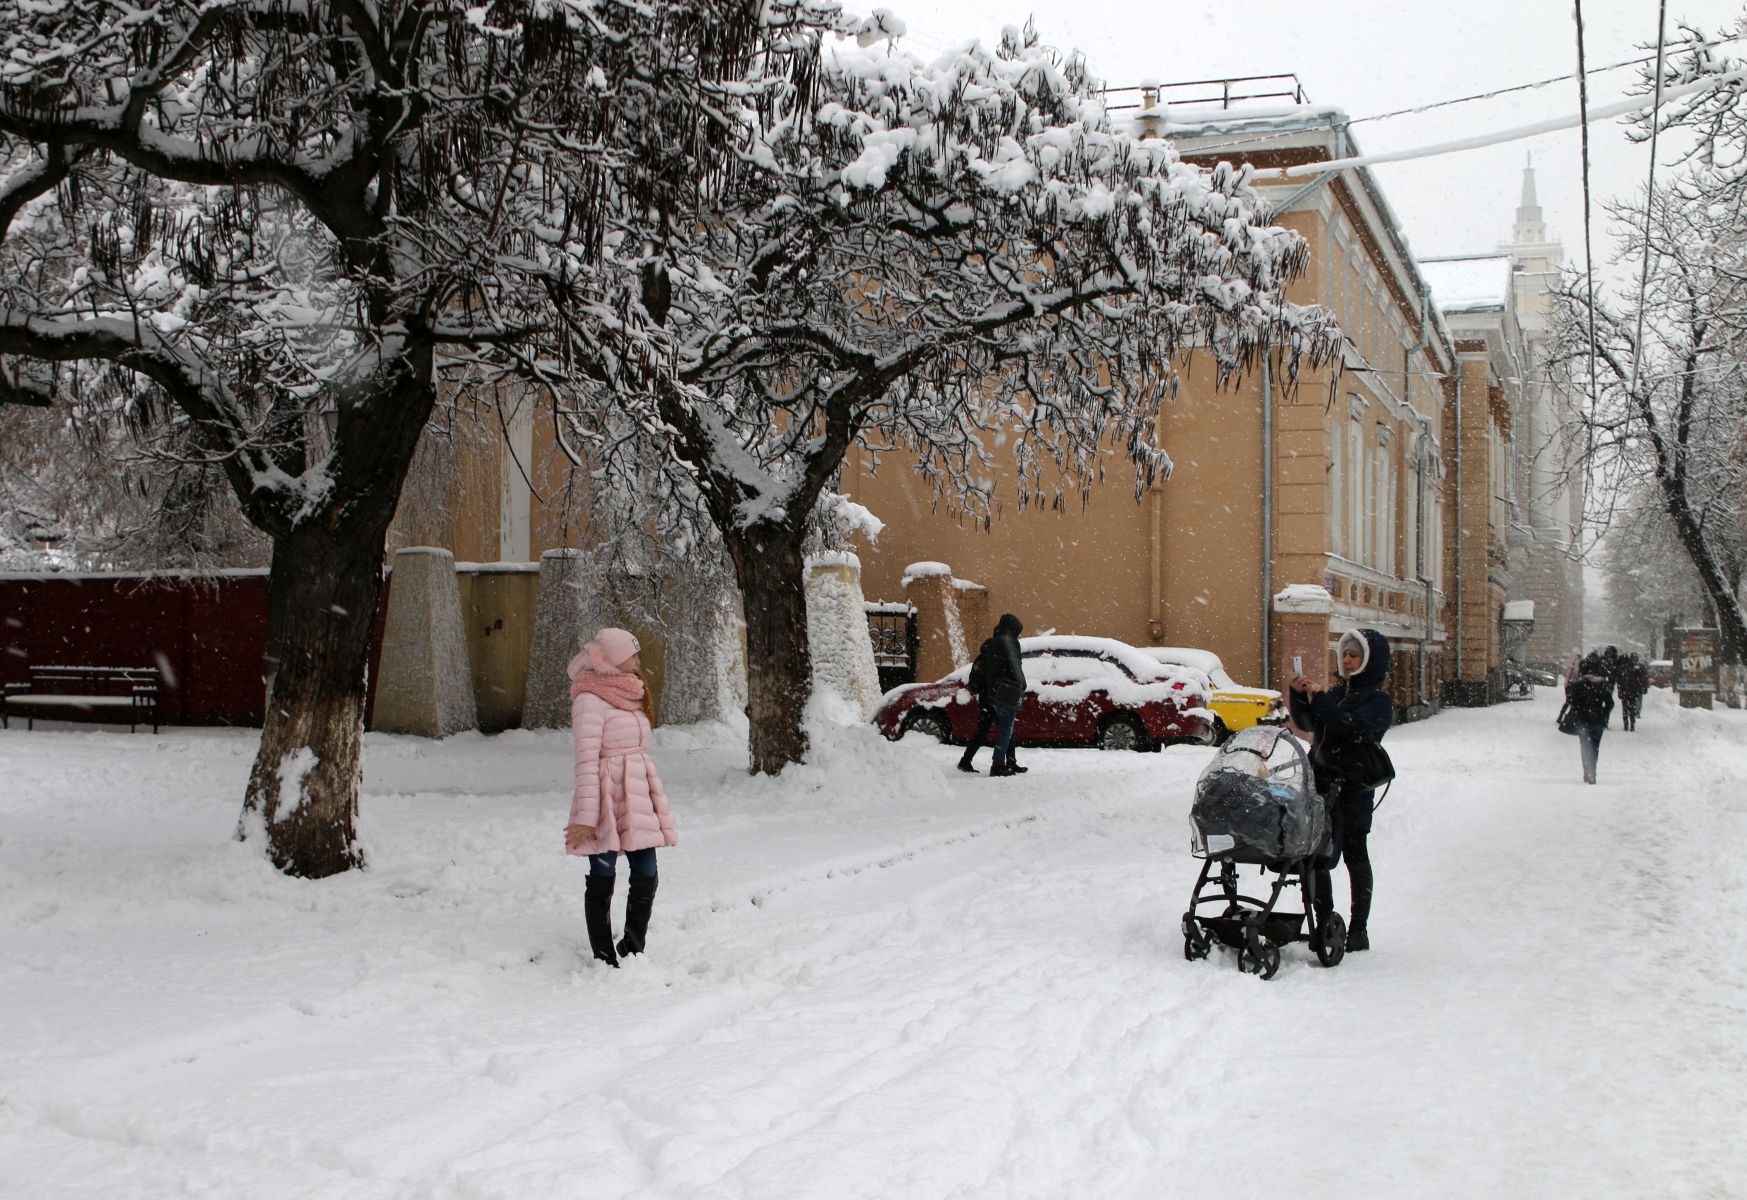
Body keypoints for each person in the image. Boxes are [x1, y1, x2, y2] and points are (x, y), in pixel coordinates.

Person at [564, 627, 677, 967]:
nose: (638, 660)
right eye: (632, 654)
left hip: (637, 793)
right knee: (603, 873)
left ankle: (633, 947)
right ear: (612, 659)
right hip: (605, 796)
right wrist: (586, 818)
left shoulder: (629, 692)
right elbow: (586, 761)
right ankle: (603, 956)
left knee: (647, 870)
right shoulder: (589, 699)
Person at [1287, 629, 1393, 953]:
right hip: (1322, 785)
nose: (1347, 660)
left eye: (1354, 655)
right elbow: (1309, 723)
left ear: (1369, 661)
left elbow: (1348, 728)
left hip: (1353, 789)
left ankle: (1358, 929)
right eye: (1344, 654)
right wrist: (1299, 696)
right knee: (1317, 856)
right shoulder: (1337, 693)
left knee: (1354, 855)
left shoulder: (1377, 701)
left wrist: (1321, 700)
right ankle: (1324, 923)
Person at [956, 613, 1026, 777]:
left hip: (987, 692)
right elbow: (1016, 669)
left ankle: (966, 760)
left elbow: (987, 670)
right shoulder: (1010, 644)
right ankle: (998, 765)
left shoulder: (990, 644)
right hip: (1004, 692)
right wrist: (1021, 685)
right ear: (1012, 630)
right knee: (1006, 728)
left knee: (985, 728)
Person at [1565, 652, 1614, 784]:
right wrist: (1603, 714)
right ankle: (1593, 770)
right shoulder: (1601, 685)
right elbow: (1610, 703)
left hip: (1583, 721)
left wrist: (1578, 709)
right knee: (1595, 747)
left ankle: (1587, 771)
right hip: (1598, 720)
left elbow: (1571, 701)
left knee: (1585, 746)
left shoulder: (1579, 685)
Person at [1616, 652, 1646, 732]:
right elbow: (1640, 678)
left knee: (1625, 709)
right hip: (1633, 691)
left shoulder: (1623, 668)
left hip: (1625, 691)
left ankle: (1626, 724)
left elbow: (1619, 681)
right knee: (1632, 708)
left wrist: (1620, 691)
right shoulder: (1635, 668)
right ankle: (1632, 724)